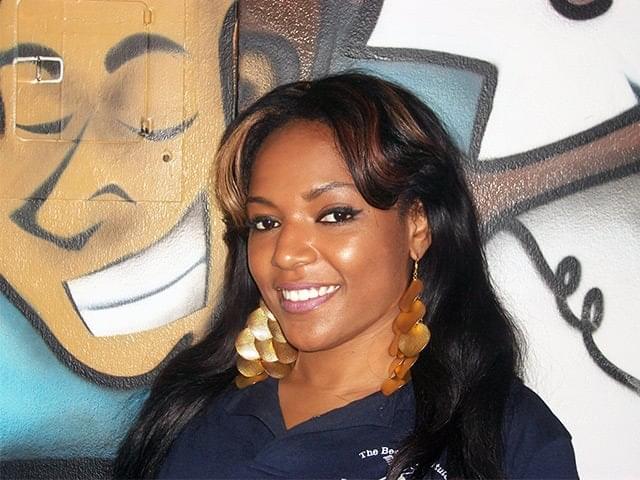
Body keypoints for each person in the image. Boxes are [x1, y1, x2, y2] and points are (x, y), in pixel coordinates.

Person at [113, 73, 578, 479]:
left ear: (417, 225)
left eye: (334, 215)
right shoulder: (190, 412)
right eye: (266, 222)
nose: (286, 253)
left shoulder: (503, 435)